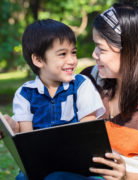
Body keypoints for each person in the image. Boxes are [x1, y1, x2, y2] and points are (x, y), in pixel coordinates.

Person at [45, 2, 138, 180]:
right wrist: (17, 125)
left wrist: (125, 175)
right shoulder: (89, 81)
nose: (94, 54)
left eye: (101, 49)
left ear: (130, 53)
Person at [10, 19, 105, 179]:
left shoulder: (81, 85)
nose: (72, 60)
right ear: (38, 60)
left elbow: (87, 133)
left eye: (73, 52)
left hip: (79, 167)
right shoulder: (25, 93)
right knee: (22, 177)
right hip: (42, 166)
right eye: (62, 54)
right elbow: (28, 141)